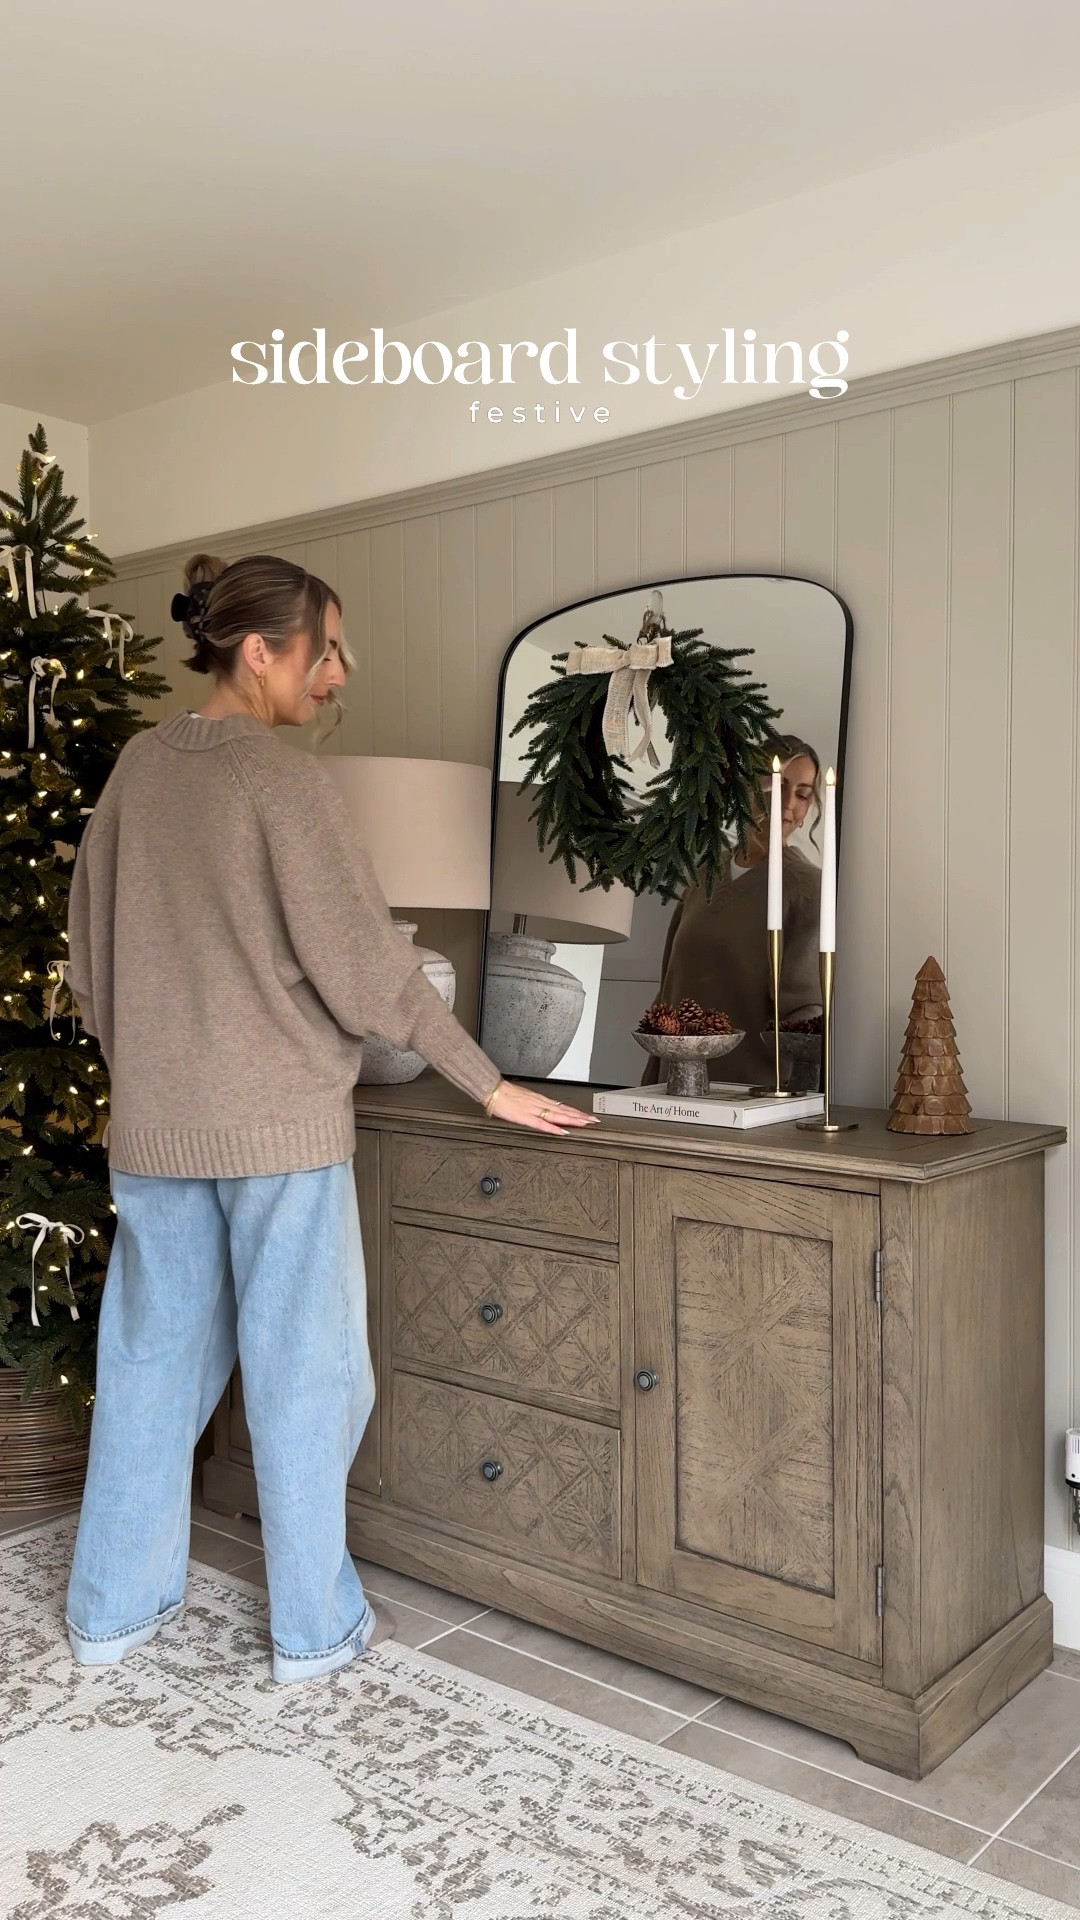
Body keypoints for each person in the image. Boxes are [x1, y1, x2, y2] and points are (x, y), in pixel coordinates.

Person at [63, 551, 595, 1685]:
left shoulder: (135, 772)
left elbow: (89, 962)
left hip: (155, 1130)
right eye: (328, 649)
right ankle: (313, 1629)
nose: (338, 673)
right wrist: (489, 1082)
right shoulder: (283, 783)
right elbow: (369, 971)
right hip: (280, 1133)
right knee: (310, 1377)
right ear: (261, 652)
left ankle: (110, 1613)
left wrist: (150, 1072)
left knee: (150, 1366)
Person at [642, 736, 823, 1090]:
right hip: (675, 1091)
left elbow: (806, 1014)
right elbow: (667, 993)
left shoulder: (807, 887)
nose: (788, 804)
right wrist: (650, 1084)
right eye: (778, 785)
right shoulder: (703, 875)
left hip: (749, 1096)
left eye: (802, 794)